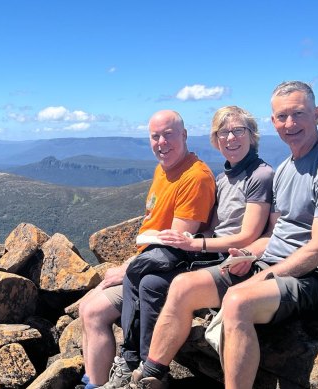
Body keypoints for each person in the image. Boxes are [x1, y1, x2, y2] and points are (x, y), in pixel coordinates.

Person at [131, 81, 318, 389]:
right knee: (183, 285)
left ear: (317, 115)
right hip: (269, 263)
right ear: (273, 122)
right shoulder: (285, 169)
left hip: (317, 277)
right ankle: (150, 374)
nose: (290, 123)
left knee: (238, 301)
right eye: (282, 117)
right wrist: (250, 255)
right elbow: (275, 234)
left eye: (299, 114)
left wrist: (263, 277)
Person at [111, 106, 274, 389]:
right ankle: (142, 368)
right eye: (223, 132)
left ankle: (135, 363)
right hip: (210, 252)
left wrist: (193, 244)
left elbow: (248, 235)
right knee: (149, 281)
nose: (231, 138)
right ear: (215, 139)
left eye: (238, 131)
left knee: (140, 269)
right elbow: (213, 226)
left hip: (232, 258)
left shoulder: (259, 176)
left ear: (252, 135)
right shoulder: (224, 178)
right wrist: (194, 242)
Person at [77, 110, 216, 389]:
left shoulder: (195, 177)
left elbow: (176, 244)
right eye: (155, 136)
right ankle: (94, 382)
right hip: (147, 261)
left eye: (168, 135)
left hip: (169, 270)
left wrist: (128, 268)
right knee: (86, 307)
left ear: (184, 135)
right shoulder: (162, 169)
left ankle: (117, 375)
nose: (161, 143)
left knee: (93, 312)